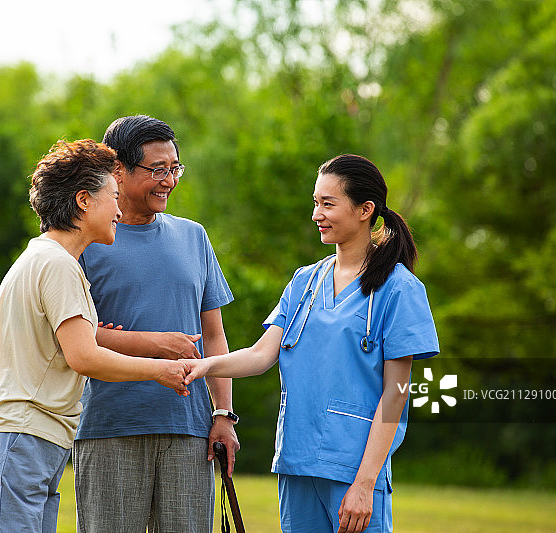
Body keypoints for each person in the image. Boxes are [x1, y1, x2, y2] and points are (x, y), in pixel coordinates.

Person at [185, 154, 440, 533]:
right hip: (297, 463)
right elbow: (260, 355)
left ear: (365, 210)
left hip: (354, 472)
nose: (316, 214)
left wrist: (366, 483)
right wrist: (206, 365)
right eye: (315, 203)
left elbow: (397, 393)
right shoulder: (304, 281)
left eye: (328, 204)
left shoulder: (400, 289)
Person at [0, 139, 194, 533]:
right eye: (113, 197)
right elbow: (84, 357)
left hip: (34, 442)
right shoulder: (56, 265)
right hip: (17, 437)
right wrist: (159, 370)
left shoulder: (53, 261)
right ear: (84, 200)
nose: (119, 209)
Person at [73, 115, 238, 533]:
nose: (168, 180)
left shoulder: (194, 237)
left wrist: (223, 413)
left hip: (189, 430)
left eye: (174, 168)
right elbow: (71, 336)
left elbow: (215, 336)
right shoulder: (84, 244)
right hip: (108, 427)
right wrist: (138, 342)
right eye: (157, 170)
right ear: (118, 171)